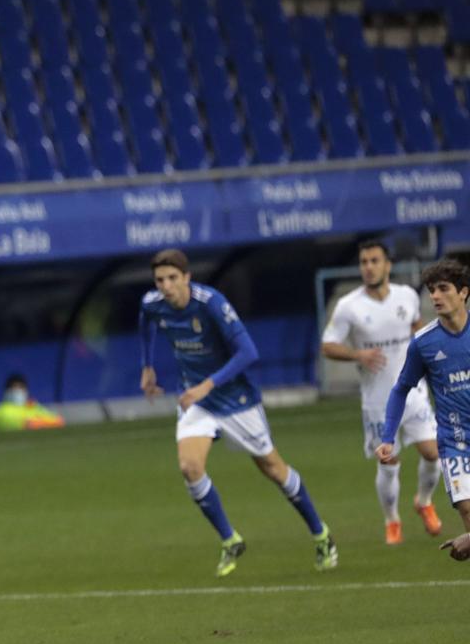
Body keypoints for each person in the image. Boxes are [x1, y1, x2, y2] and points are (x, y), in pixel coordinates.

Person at [140, 248, 335, 576]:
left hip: (235, 400)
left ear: (186, 277)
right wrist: (147, 366)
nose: (166, 285)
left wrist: (208, 385)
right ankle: (230, 539)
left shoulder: (210, 303)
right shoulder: (152, 303)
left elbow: (248, 352)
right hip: (196, 400)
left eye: (173, 278)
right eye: (160, 279)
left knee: (273, 469)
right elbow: (145, 321)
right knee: (189, 467)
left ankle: (321, 534)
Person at [321, 239, 444, 544]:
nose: (368, 267)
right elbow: (328, 345)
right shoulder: (349, 306)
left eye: (374, 260)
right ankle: (392, 520)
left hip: (413, 392)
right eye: (364, 262)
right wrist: (356, 355)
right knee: (389, 462)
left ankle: (424, 501)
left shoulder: (406, 296)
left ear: (387, 265)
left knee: (434, 454)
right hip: (377, 401)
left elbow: (418, 328)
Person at [380, 259, 470, 540]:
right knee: (467, 509)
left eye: (443, 289)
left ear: (464, 292)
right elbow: (400, 388)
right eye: (432, 290)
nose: (435, 296)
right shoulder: (423, 343)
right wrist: (388, 436)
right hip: (456, 442)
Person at [0, 373, 64, 431]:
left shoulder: (33, 406)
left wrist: (38, 423)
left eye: (21, 388)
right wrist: (40, 423)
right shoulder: (0, 410)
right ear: (7, 391)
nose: (18, 392)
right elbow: (21, 425)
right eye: (14, 388)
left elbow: (57, 421)